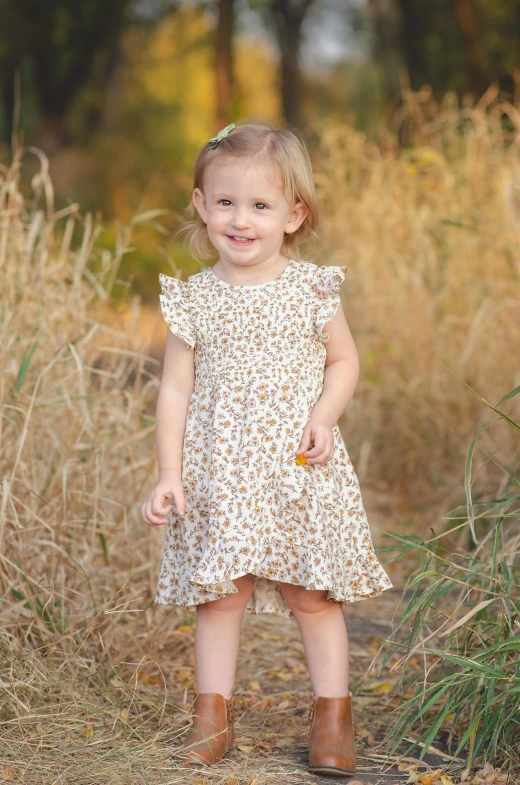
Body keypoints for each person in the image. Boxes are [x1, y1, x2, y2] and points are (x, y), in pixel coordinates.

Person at [141, 121, 393, 776]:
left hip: (297, 466)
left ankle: (333, 713)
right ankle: (211, 713)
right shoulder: (194, 297)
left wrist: (324, 412)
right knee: (220, 595)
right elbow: (173, 389)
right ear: (200, 204)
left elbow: (344, 361)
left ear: (293, 213)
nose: (241, 219)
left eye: (260, 205)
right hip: (219, 471)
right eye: (225, 202)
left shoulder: (311, 287)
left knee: (313, 592)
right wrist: (169, 472)